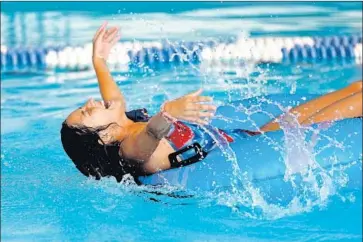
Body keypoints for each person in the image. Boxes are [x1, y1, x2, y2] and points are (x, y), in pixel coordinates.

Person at [60, 22, 363, 183]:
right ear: (106, 136)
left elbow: (113, 96)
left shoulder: (121, 123)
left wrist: (98, 59)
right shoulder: (128, 149)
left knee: (356, 88)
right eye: (87, 112)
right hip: (254, 145)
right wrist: (167, 113)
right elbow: (150, 135)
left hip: (248, 137)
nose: (91, 101)